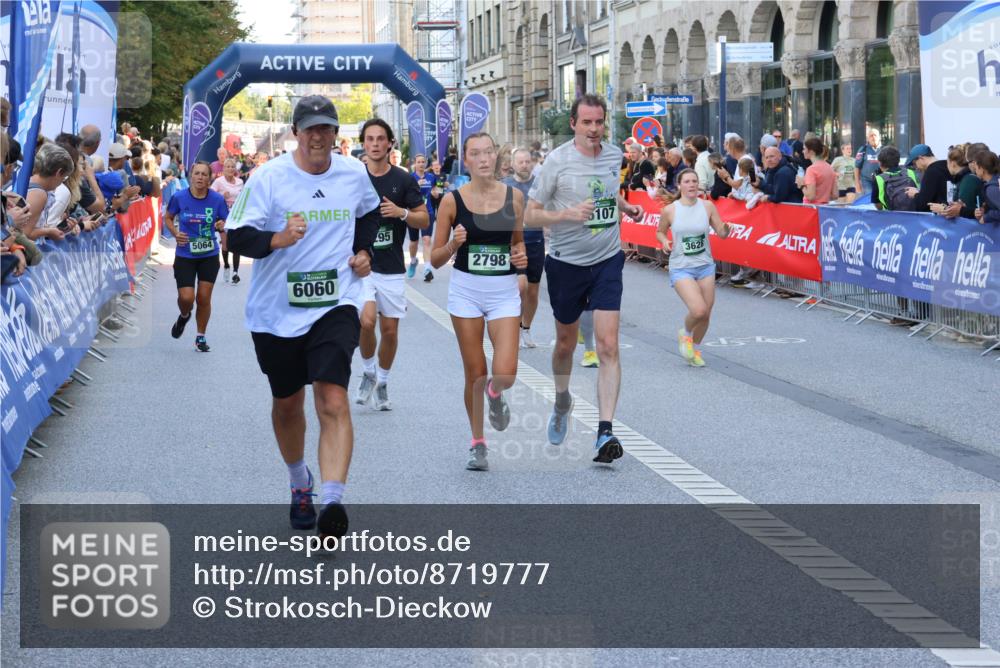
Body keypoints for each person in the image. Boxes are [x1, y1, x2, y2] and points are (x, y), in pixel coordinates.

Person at [225, 95, 381, 538]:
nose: (318, 137)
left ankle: (332, 501)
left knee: (332, 398)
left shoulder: (353, 174)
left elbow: (369, 215)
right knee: (288, 403)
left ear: (336, 134)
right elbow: (236, 236)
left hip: (336, 302)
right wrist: (278, 239)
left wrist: (364, 251)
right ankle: (300, 484)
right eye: (309, 128)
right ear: (296, 132)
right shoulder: (270, 177)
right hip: (276, 312)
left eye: (326, 129)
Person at [524, 93, 644, 465]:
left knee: (608, 346)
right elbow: (531, 216)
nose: (594, 129)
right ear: (574, 124)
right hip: (565, 264)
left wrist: (628, 207)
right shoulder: (556, 163)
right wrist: (567, 215)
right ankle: (562, 399)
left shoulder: (613, 155)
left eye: (599, 122)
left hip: (608, 259)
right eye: (587, 122)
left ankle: (604, 431)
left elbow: (608, 191)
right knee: (565, 345)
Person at [431, 131, 528, 471]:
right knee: (475, 372)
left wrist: (521, 263)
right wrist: (454, 245)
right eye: (477, 154)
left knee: (506, 372)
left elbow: (517, 244)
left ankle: (496, 394)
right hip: (466, 292)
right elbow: (435, 259)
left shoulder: (514, 198)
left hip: (503, 293)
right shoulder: (451, 202)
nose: (485, 159)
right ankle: (477, 443)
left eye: (489, 152)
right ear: (467, 160)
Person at [356, 119, 429, 410]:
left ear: (389, 144)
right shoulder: (354, 177)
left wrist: (401, 213)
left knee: (389, 332)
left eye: (380, 139)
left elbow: (424, 219)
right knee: (366, 321)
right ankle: (368, 371)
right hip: (362, 266)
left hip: (392, 267)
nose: (375, 144)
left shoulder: (403, 179)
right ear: (364, 143)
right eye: (370, 139)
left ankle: (382, 380)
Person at [657, 169, 731, 367]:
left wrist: (726, 229)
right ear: (679, 185)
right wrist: (664, 241)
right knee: (698, 310)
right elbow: (660, 232)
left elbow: (721, 232)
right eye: (687, 181)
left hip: (705, 265)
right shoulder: (670, 210)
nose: (691, 185)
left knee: (706, 312)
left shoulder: (707, 206)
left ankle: (695, 350)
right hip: (682, 267)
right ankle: (686, 334)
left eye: (694, 181)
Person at [163, 161, 228, 352]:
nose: (200, 177)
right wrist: (175, 233)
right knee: (186, 297)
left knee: (204, 297)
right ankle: (184, 316)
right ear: (191, 176)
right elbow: (168, 217)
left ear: (210, 178)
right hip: (185, 254)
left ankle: (200, 336)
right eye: (197, 173)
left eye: (204, 174)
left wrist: (221, 224)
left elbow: (226, 221)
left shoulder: (217, 199)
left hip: (209, 254)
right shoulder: (179, 197)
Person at [503, 147, 543, 349]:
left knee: (533, 291)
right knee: (519, 287)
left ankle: (525, 328)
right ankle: (514, 329)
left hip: (535, 238)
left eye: (528, 161)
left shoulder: (539, 185)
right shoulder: (505, 185)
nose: (525, 165)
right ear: (513, 164)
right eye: (521, 162)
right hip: (513, 240)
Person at [210, 157, 245, 283]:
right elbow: (210, 195)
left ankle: (235, 273)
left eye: (232, 167)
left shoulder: (240, 182)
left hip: (236, 216)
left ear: (235, 169)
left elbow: (244, 197)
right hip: (223, 215)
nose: (230, 169)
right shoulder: (219, 182)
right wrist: (221, 196)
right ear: (223, 169)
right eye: (228, 167)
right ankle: (226, 265)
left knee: (236, 244)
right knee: (225, 244)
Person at [408, 153, 437, 282]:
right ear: (415, 163)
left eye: (423, 162)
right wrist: (416, 186)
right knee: (413, 242)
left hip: (428, 212)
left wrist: (436, 193)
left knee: (426, 240)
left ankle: (427, 269)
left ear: (425, 164)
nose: (421, 164)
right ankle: (413, 261)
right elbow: (406, 195)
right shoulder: (410, 178)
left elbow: (436, 191)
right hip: (413, 213)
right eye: (419, 162)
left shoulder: (431, 177)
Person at [905, 144, 951, 212]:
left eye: (915, 163)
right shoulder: (946, 165)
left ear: (921, 158)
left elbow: (923, 205)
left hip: (939, 218)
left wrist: (915, 195)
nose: (916, 167)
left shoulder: (930, 172)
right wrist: (920, 193)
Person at [872, 146, 919, 211]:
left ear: (880, 163)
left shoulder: (878, 179)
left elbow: (877, 204)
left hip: (891, 217)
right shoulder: (910, 172)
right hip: (913, 215)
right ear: (899, 160)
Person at [796, 138, 837, 204]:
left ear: (811, 151)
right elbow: (835, 195)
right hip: (825, 208)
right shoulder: (830, 168)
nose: (802, 151)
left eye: (804, 149)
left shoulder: (811, 169)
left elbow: (810, 196)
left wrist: (801, 185)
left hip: (811, 209)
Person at [971, 150, 1000, 225]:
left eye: (976, 167)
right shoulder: (996, 183)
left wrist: (987, 217)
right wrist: (985, 210)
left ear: (982, 169)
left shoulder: (992, 189)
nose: (975, 170)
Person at [855, 128, 882, 196]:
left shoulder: (885, 150)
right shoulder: (863, 149)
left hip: (881, 180)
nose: (873, 137)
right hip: (867, 181)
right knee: (870, 198)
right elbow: (857, 167)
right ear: (868, 139)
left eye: (875, 135)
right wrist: (857, 183)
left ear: (879, 137)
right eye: (871, 136)